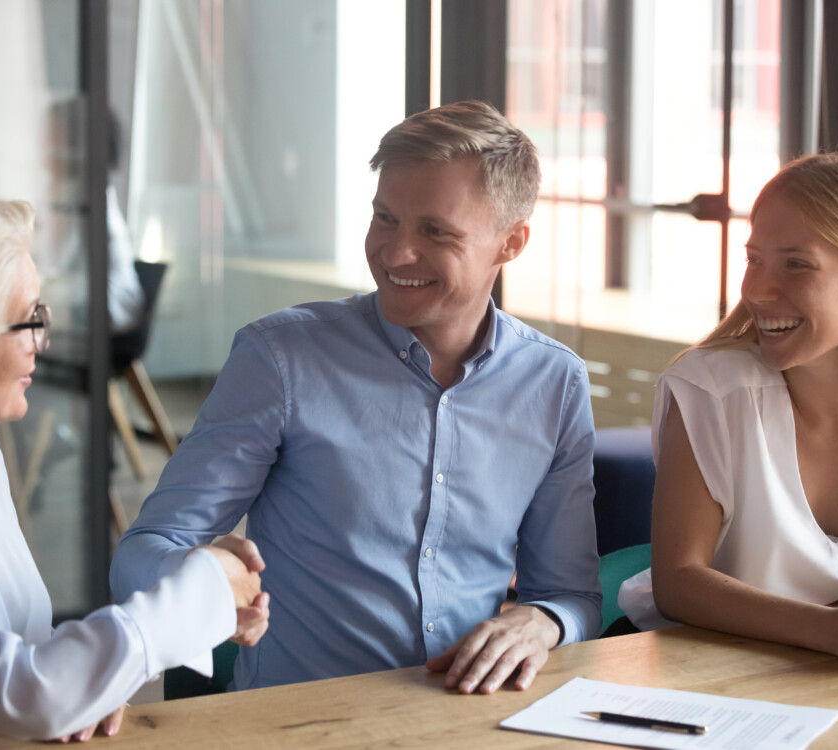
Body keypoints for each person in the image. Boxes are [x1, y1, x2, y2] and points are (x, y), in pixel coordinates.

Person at [111, 100, 601, 694]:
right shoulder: (280, 359)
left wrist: (542, 621)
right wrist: (197, 578)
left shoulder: (555, 384)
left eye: (435, 231)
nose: (396, 254)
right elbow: (142, 553)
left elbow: (570, 597)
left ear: (511, 243)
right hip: (302, 726)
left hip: (468, 724)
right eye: (385, 218)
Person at [0, 184, 270, 739]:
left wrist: (90, 685)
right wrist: (201, 590)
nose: (42, 340)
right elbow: (25, 691)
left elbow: (32, 652)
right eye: (25, 321)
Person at [617, 152, 838, 659]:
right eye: (753, 260)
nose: (755, 290)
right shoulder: (712, 391)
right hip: (705, 674)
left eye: (796, 264)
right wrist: (831, 631)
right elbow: (680, 581)